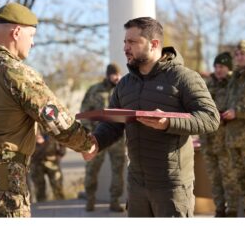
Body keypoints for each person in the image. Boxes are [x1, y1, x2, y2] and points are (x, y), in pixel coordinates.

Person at [0, 2, 95, 217]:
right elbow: (54, 118)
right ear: (16, 32)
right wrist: (87, 144)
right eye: (31, 36)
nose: (32, 43)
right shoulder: (17, 73)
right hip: (6, 176)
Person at [82, 17, 220, 217]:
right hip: (136, 185)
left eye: (132, 42)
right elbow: (113, 124)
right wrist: (96, 142)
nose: (125, 48)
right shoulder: (125, 84)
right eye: (124, 42)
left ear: (154, 44)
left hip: (172, 186)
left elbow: (210, 118)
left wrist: (169, 123)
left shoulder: (184, 78)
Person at [80, 63, 126, 212]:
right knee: (91, 169)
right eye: (114, 75)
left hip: (117, 139)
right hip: (96, 137)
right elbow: (84, 112)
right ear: (108, 75)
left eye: (119, 74)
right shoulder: (94, 90)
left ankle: (115, 201)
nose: (117, 78)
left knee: (118, 170)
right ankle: (90, 199)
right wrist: (89, 132)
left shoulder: (123, 89)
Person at [200, 52, 239, 217]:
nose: (218, 70)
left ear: (228, 68)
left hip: (225, 140)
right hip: (208, 139)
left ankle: (232, 210)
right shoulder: (209, 84)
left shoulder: (233, 84)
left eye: (221, 66)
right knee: (214, 178)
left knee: (228, 177)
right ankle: (219, 209)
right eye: (216, 66)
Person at [222, 40, 245, 217]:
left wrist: (238, 112)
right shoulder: (234, 78)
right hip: (233, 138)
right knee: (241, 182)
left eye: (242, 53)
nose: (239, 57)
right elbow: (229, 103)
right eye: (236, 54)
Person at [30, 130, 66, 202]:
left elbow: (62, 138)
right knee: (39, 189)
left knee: (57, 186)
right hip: (36, 161)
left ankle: (61, 206)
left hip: (52, 160)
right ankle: (43, 209)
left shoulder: (50, 122)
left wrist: (61, 153)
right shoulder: (31, 123)